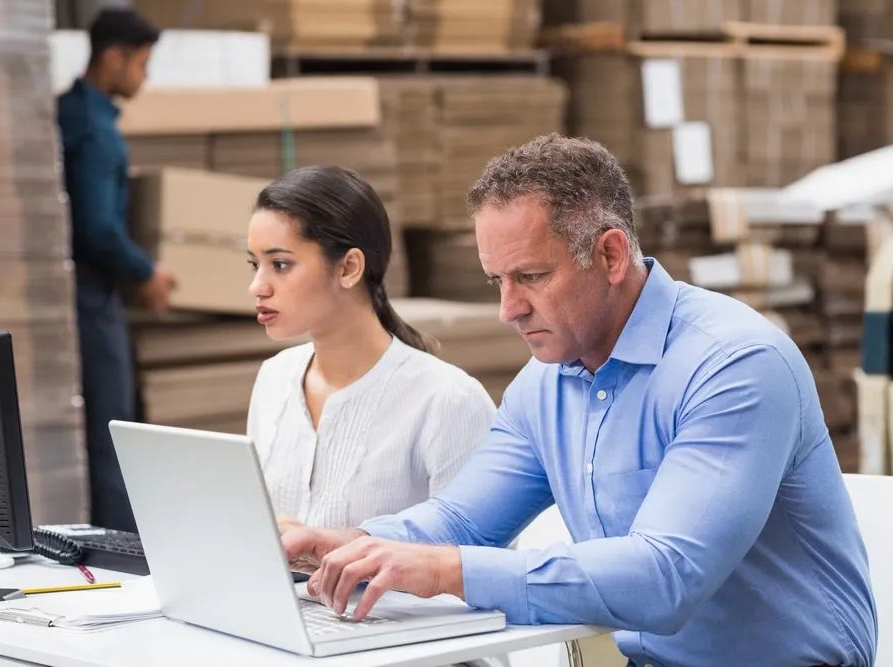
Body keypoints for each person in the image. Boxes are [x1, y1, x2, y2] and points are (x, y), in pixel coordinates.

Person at [281, 135, 878, 667]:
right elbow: (461, 522)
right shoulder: (546, 382)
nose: (507, 309)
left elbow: (665, 577)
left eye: (531, 277)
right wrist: (352, 546)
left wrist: (445, 570)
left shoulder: (735, 366)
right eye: (498, 281)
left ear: (612, 256)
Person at [245, 165, 498, 532]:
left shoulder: (448, 400)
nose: (257, 286)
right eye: (255, 264)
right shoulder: (275, 378)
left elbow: (477, 557)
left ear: (349, 267)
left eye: (280, 264)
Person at [57, 8, 177, 532]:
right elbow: (98, 227)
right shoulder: (95, 130)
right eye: (143, 65)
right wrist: (145, 272)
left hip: (73, 294)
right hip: (91, 297)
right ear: (114, 57)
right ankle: (119, 552)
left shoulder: (67, 111)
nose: (144, 78)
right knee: (112, 430)